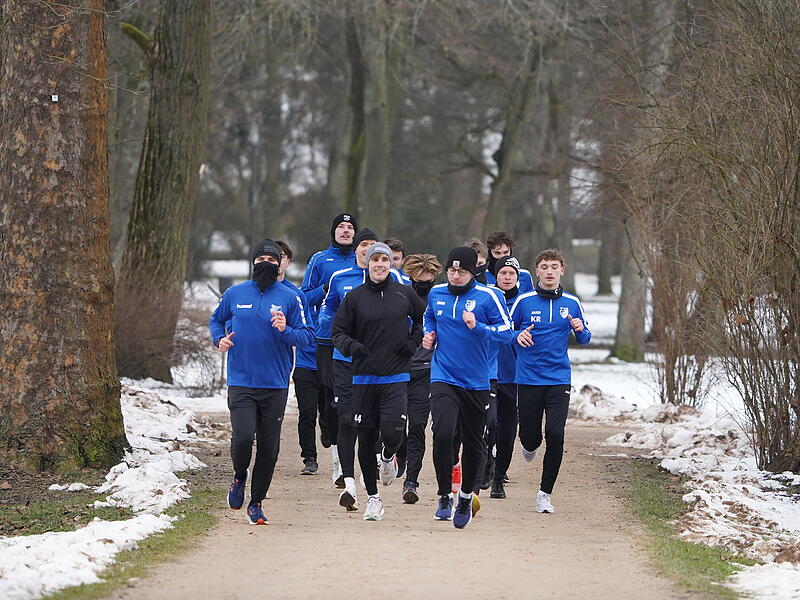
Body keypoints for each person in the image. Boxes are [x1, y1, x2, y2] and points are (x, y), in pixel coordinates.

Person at [209, 239, 314, 525]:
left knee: (269, 447)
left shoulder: (292, 298)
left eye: (272, 260)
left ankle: (256, 503)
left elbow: (307, 337)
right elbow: (216, 321)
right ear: (253, 264)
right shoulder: (235, 293)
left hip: (275, 384)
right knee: (243, 437)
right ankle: (239, 475)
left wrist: (285, 329)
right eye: (260, 261)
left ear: (280, 265)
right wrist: (219, 339)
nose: (266, 265)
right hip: (242, 380)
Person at [423, 246, 526, 529]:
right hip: (443, 375)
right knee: (442, 434)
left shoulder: (489, 296)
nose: (456, 276)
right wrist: (428, 334)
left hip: (477, 381)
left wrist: (479, 327)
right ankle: (445, 494)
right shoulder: (436, 293)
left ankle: (466, 496)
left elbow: (507, 334)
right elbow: (429, 316)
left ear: (474, 273)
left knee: (473, 441)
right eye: (452, 270)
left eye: (463, 271)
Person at [333, 243, 426, 520]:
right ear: (368, 264)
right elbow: (337, 332)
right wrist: (352, 347)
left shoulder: (403, 293)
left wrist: (413, 342)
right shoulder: (354, 298)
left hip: (396, 375)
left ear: (390, 264)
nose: (380, 264)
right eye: (375, 259)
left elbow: (423, 318)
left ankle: (387, 458)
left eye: (385, 260)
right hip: (363, 378)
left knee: (393, 432)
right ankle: (374, 498)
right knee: (365, 436)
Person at [318, 228, 405, 506]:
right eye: (363, 245)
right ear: (358, 251)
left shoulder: (398, 281)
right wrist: (338, 333)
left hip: (383, 366)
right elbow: (328, 310)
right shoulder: (339, 278)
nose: (368, 250)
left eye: (374, 247)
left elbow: (414, 316)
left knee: (381, 426)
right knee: (346, 420)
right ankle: (349, 484)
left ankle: (387, 456)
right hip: (346, 363)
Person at [509, 248, 591, 513]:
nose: (549, 271)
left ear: (562, 270)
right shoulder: (524, 302)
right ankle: (529, 444)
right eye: (544, 266)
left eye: (554, 266)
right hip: (529, 378)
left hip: (558, 378)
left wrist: (579, 330)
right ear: (537, 271)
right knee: (531, 438)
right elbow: (506, 333)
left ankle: (544, 493)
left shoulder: (572, 302)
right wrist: (517, 336)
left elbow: (585, 338)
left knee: (555, 434)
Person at [302, 214, 358, 484]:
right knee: (328, 393)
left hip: (357, 341)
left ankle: (341, 455)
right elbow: (304, 297)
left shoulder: (363, 262)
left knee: (342, 397)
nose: (346, 231)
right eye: (341, 227)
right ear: (333, 232)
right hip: (325, 337)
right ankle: (327, 425)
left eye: (350, 228)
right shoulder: (320, 260)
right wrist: (326, 288)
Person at [395, 253, 442, 503]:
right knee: (392, 425)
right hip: (397, 369)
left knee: (417, 426)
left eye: (429, 280)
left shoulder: (440, 298)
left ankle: (411, 481)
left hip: (426, 371)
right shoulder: (398, 296)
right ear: (409, 278)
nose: (424, 285)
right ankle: (397, 450)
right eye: (419, 280)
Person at [276, 240, 324, 476]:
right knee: (306, 411)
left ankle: (328, 433)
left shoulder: (294, 295)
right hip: (305, 361)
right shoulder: (304, 293)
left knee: (330, 413)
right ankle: (309, 458)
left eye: (281, 256)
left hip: (329, 359)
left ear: (288, 261)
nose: (276, 261)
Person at [489, 256, 522, 499]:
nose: (507, 278)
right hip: (487, 373)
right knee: (488, 424)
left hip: (514, 375)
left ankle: (499, 477)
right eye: (503, 273)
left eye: (511, 274)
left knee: (508, 429)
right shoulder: (486, 300)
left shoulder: (523, 303)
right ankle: (484, 467)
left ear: (518, 278)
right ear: (496, 276)